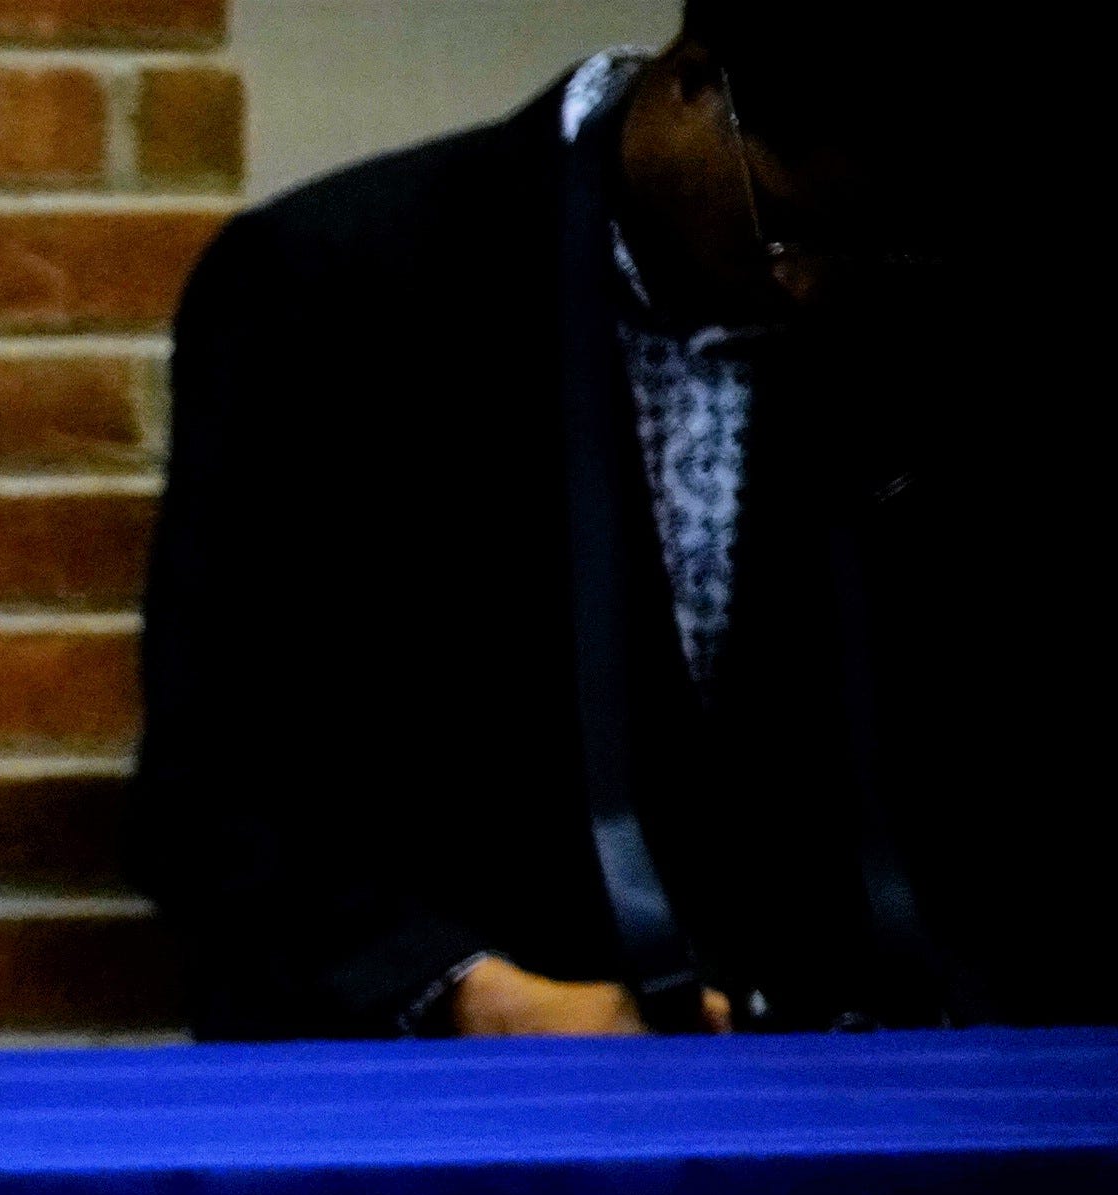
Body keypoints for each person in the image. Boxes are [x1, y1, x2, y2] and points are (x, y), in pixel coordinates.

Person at [129, 1, 1087, 1040]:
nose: (807, 281)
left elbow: (1001, 726)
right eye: (783, 224)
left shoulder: (931, 300)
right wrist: (474, 996)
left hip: (881, 1080)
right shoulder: (331, 283)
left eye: (865, 248)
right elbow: (219, 772)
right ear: (694, 84)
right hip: (454, 1084)